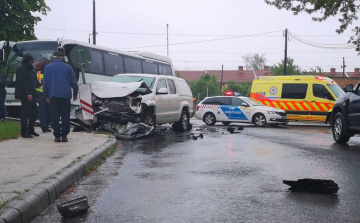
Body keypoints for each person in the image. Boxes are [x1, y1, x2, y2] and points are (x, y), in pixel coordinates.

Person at [43, 51, 78, 142]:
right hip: (66, 96)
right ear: (62, 58)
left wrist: (46, 96)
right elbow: (74, 82)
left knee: (54, 116)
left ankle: (57, 136)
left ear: (53, 58)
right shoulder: (68, 67)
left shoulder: (47, 68)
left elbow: (45, 83)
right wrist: (75, 93)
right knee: (65, 116)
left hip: (53, 96)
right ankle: (64, 136)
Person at [15, 54, 39, 138]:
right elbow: (21, 82)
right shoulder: (21, 69)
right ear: (27, 60)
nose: (32, 62)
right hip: (25, 94)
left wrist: (37, 84)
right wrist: (27, 92)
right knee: (26, 113)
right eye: (31, 60)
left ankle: (31, 130)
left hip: (32, 93)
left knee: (34, 113)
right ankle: (24, 132)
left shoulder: (30, 69)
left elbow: (31, 81)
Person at [35, 58, 52, 132]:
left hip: (39, 93)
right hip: (47, 93)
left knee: (42, 110)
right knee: (48, 110)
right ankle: (46, 124)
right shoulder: (50, 74)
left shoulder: (38, 73)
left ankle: (43, 124)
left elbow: (36, 83)